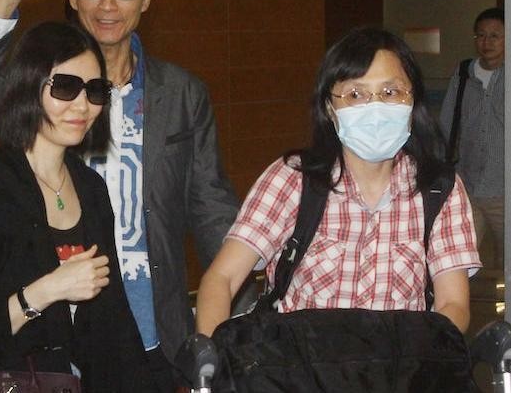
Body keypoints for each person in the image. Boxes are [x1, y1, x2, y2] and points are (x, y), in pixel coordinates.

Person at [0, 0, 241, 388]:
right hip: (41, 336)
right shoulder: (43, 88)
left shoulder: (181, 94)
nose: (108, 5)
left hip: (145, 323)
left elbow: (209, 204)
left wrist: (242, 287)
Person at [195, 28, 481, 337]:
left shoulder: (438, 189)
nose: (375, 108)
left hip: (399, 362)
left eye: (390, 92)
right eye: (355, 94)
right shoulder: (294, 179)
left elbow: (453, 304)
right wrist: (212, 357)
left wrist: (422, 353)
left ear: (412, 102)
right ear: (330, 109)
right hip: (300, 362)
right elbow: (222, 278)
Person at [0, 21, 156, 391]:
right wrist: (47, 290)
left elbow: (114, 321)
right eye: (66, 87)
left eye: (95, 90)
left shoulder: (90, 187)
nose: (82, 105)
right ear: (28, 87)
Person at [439, 7, 505, 269]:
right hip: (467, 185)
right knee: (460, 260)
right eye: (481, 36)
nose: (486, 42)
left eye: (495, 36)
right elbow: (447, 122)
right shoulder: (464, 73)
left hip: (505, 191)